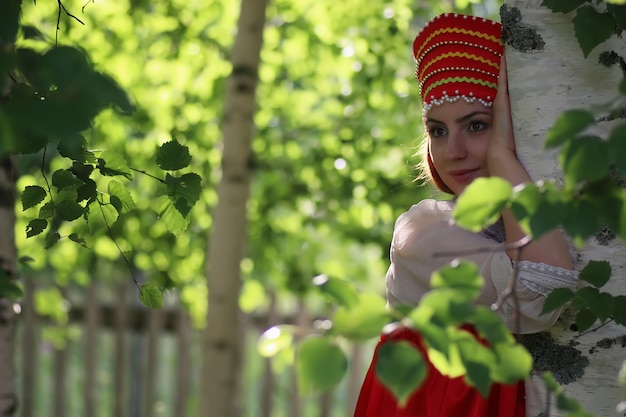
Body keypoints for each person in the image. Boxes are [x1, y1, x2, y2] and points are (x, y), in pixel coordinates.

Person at [353, 12, 578, 417]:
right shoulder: (422, 233)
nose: (453, 151)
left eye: (476, 125)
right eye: (438, 130)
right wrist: (500, 155)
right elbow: (542, 293)